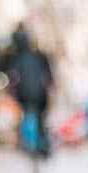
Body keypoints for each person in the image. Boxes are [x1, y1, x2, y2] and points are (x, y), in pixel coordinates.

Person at [5, 24, 54, 156]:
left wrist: (13, 91)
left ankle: (33, 144)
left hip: (27, 94)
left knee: (30, 116)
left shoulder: (17, 59)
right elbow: (48, 76)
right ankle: (40, 144)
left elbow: (14, 78)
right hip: (39, 94)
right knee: (38, 118)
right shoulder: (39, 57)